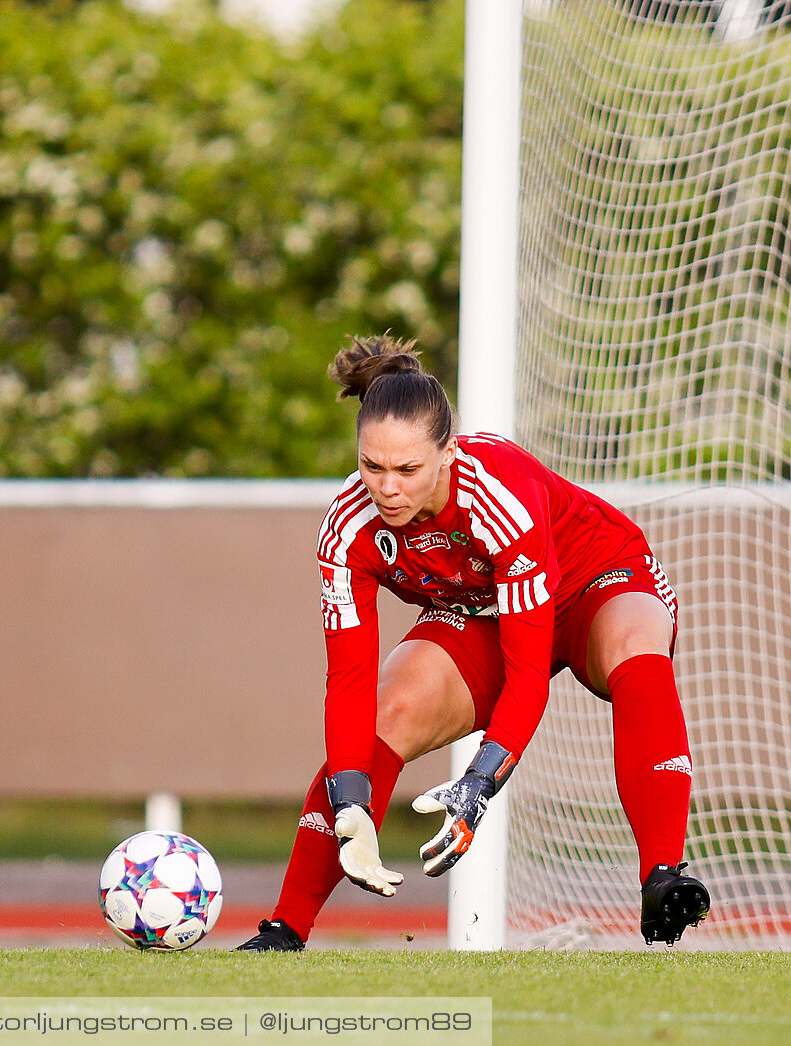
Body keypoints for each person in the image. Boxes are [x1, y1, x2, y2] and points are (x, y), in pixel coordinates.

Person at [236, 334, 710, 952]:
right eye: (371, 466)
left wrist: (478, 783)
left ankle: (661, 875)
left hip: (592, 580)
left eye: (408, 469)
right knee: (389, 712)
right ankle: (285, 930)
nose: (388, 488)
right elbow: (348, 681)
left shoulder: (496, 496)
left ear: (448, 452)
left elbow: (528, 672)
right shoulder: (347, 529)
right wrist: (350, 796)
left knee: (636, 646)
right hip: (481, 610)